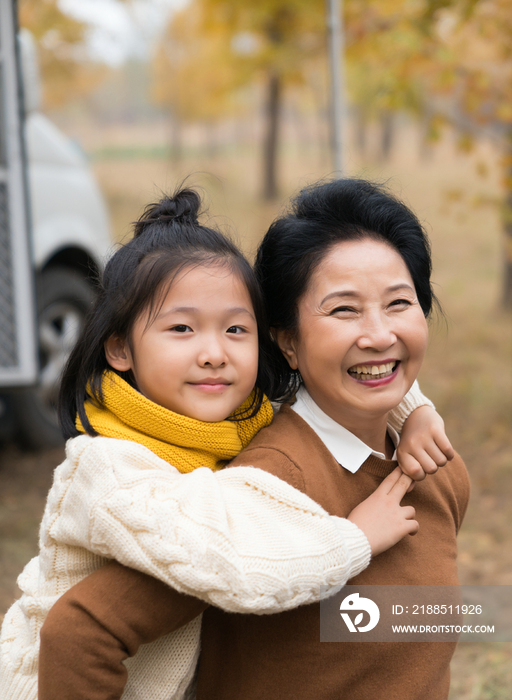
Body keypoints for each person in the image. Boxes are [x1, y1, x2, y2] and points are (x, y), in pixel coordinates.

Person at [32, 181, 460, 700]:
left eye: (399, 302)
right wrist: (353, 541)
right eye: (344, 310)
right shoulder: (257, 493)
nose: (378, 333)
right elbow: (80, 633)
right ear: (286, 341)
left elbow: (420, 631)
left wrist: (415, 409)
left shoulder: (432, 460)